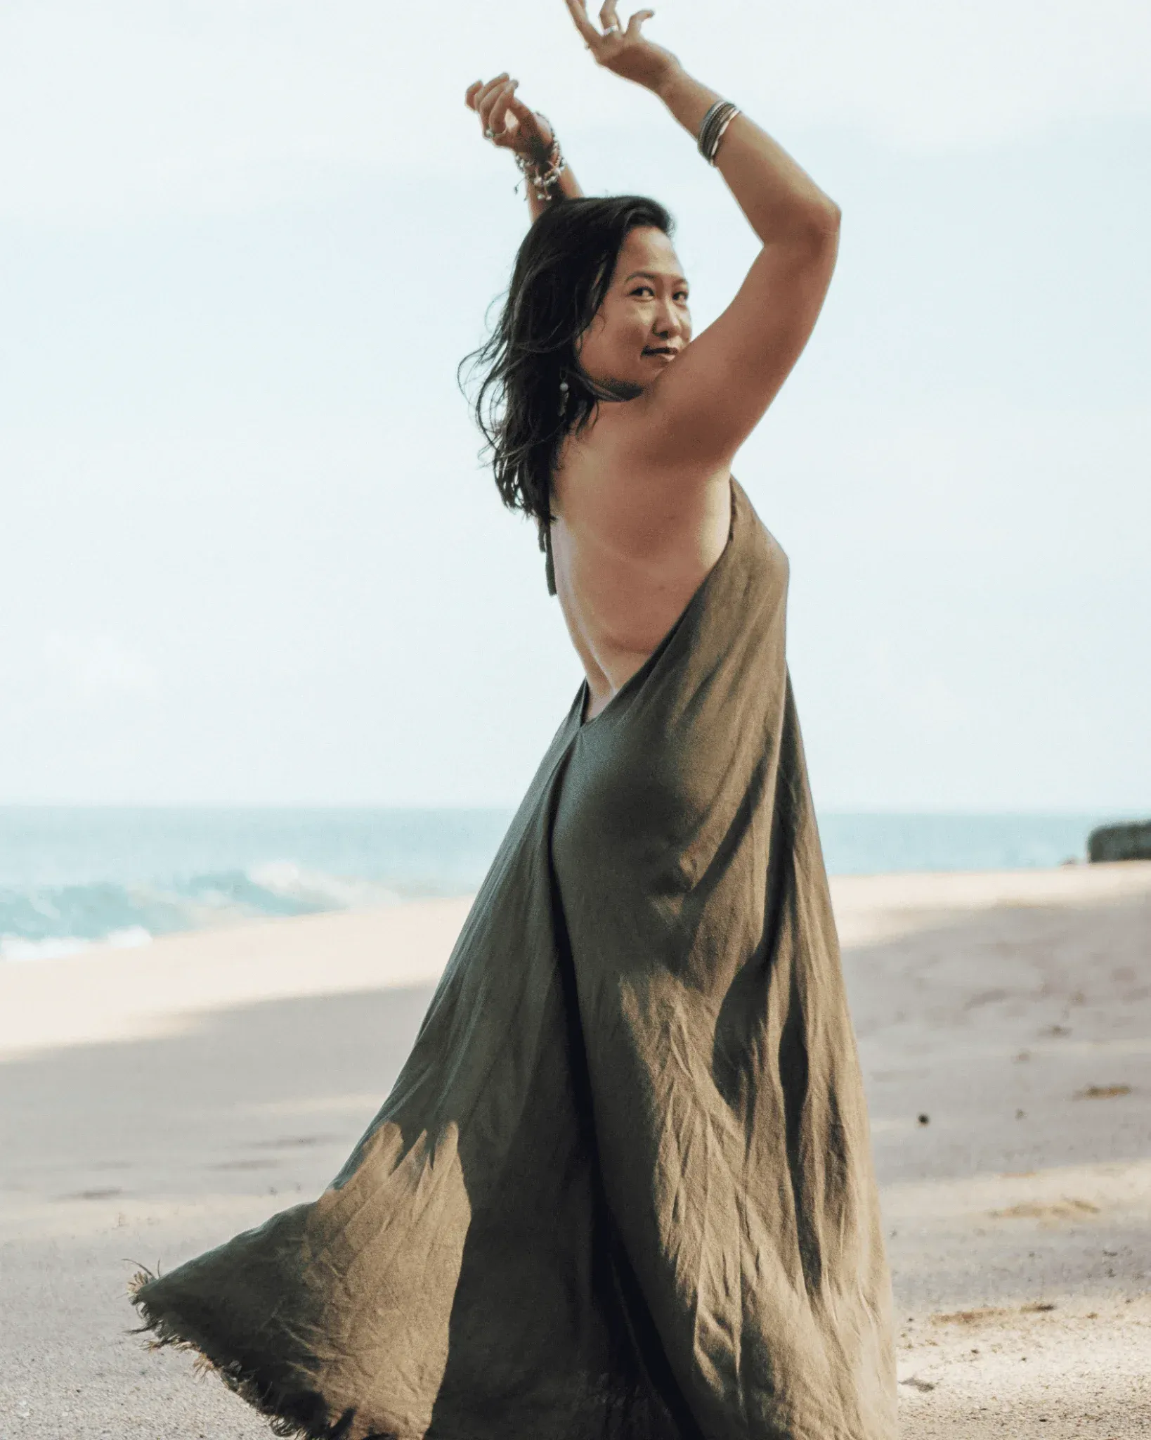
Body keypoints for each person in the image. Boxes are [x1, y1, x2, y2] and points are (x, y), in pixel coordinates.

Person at [130, 5, 897, 1437]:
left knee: (631, 1130)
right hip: (674, 822)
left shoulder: (573, 434)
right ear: (584, 322)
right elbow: (809, 231)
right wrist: (661, 76)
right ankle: (760, 1403)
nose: (674, 318)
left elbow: (572, 285)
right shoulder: (673, 436)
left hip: (606, 792)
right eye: (645, 296)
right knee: (709, 1127)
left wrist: (545, 165)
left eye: (682, 293)